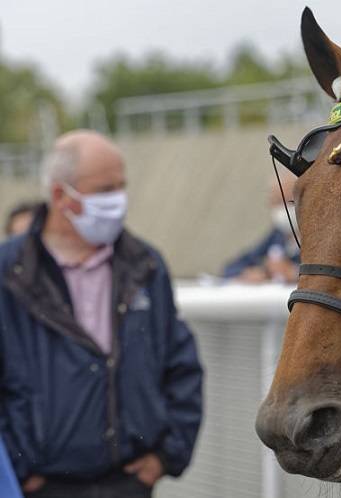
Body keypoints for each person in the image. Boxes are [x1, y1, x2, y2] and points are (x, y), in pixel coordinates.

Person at [0, 130, 203, 498]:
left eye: (121, 187)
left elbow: (181, 364)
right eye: (105, 190)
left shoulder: (146, 265)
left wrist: (163, 457)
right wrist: (17, 470)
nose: (118, 201)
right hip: (38, 487)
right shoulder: (8, 273)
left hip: (130, 483)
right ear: (61, 195)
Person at [222, 174, 299, 283]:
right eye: (277, 202)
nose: (283, 209)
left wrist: (295, 273)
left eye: (289, 202)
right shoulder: (277, 235)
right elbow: (232, 268)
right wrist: (256, 273)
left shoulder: (319, 239)